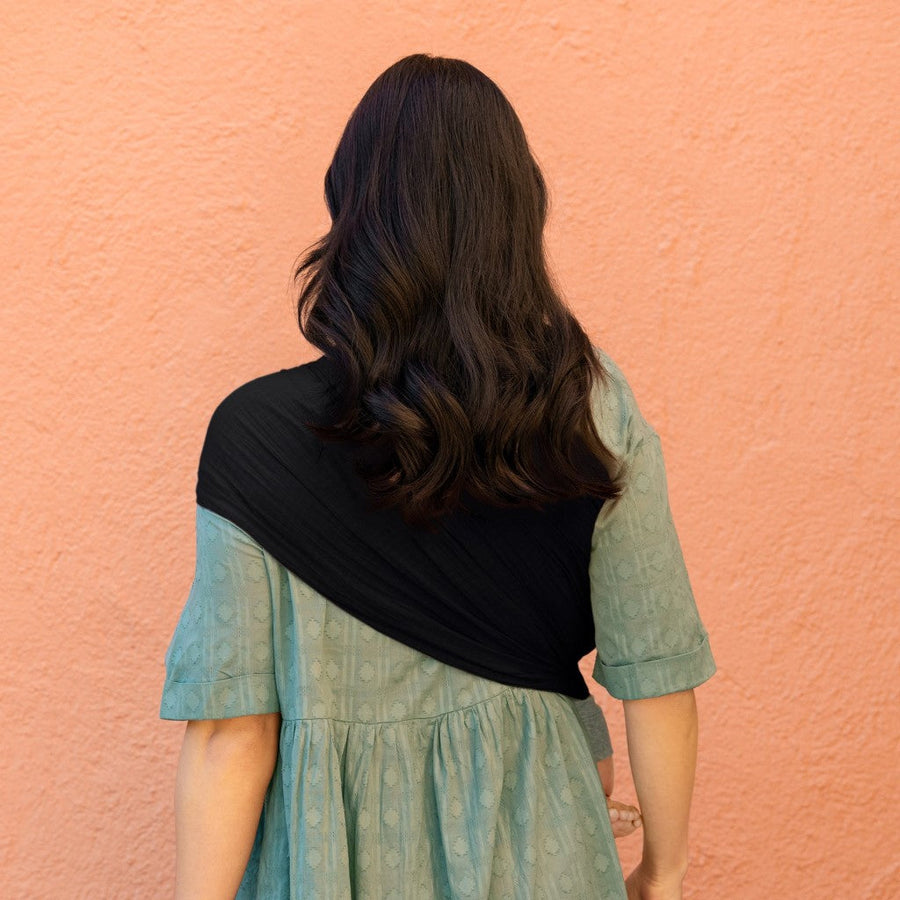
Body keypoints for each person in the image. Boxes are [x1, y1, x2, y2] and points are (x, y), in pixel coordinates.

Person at [159, 53, 715, 899]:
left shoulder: (256, 436)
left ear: (350, 210)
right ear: (517, 209)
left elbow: (231, 732)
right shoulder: (590, 403)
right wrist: (663, 872)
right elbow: (658, 671)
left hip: (328, 860)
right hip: (546, 844)